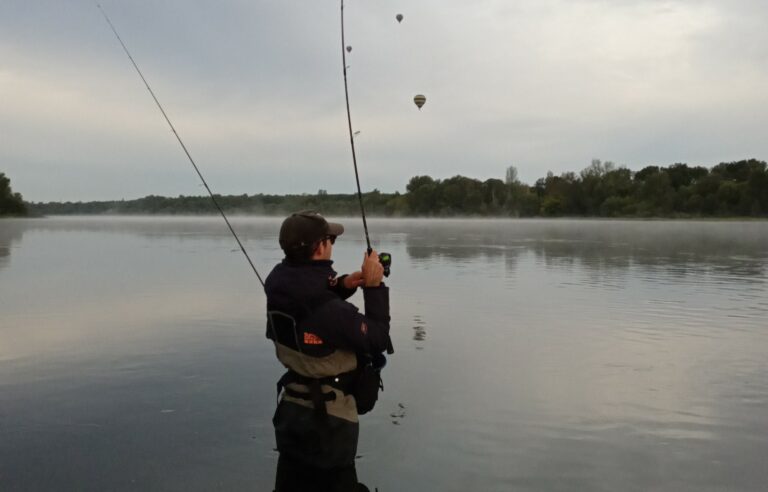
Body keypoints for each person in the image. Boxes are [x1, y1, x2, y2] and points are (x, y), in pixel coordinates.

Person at [265, 210, 391, 492]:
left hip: (291, 412)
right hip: (330, 427)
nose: (332, 244)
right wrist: (374, 288)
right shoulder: (328, 311)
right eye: (330, 239)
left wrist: (343, 284)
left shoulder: (277, 283)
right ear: (320, 247)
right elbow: (377, 339)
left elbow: (309, 293)